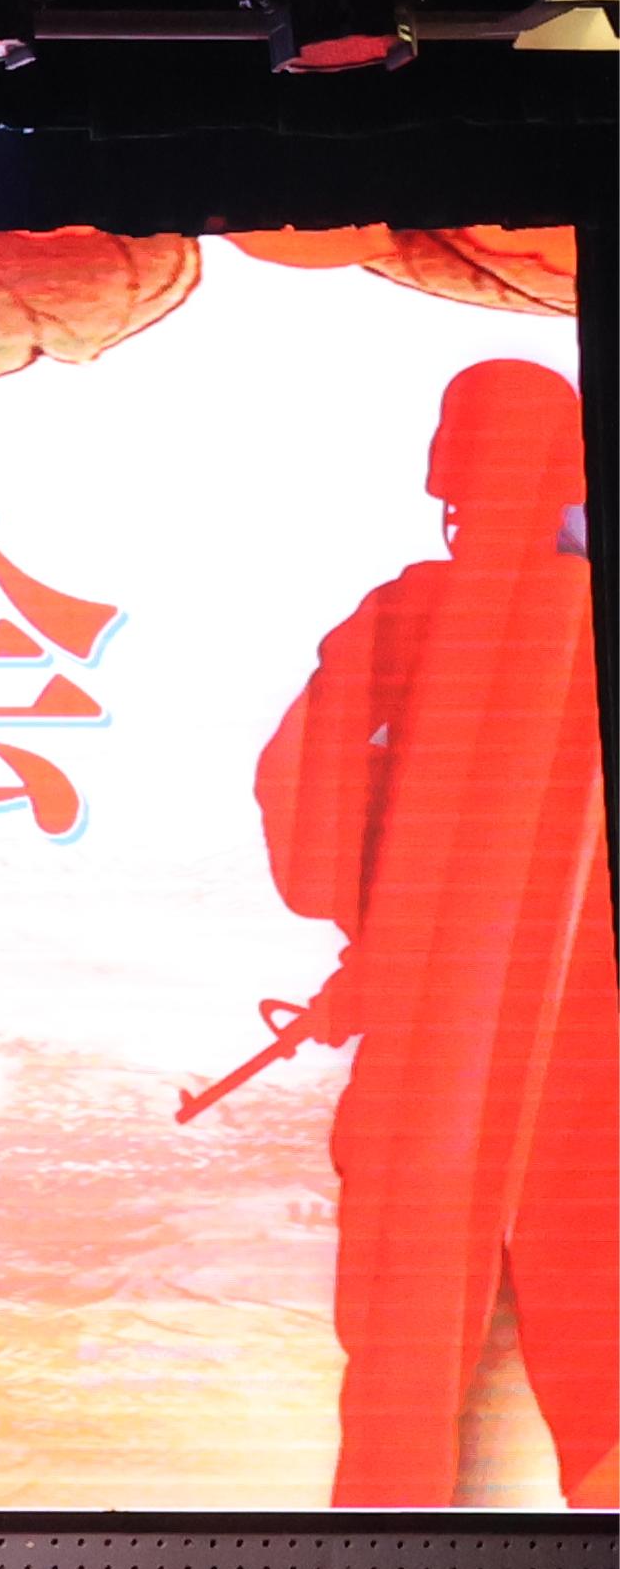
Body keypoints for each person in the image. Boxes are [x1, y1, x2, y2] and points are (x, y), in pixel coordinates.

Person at [249, 355, 607, 1508]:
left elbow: (301, 811)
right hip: (591, 1068)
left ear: (449, 477)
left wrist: (384, 920)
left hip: (433, 1054)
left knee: (404, 1376)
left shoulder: (405, 619)